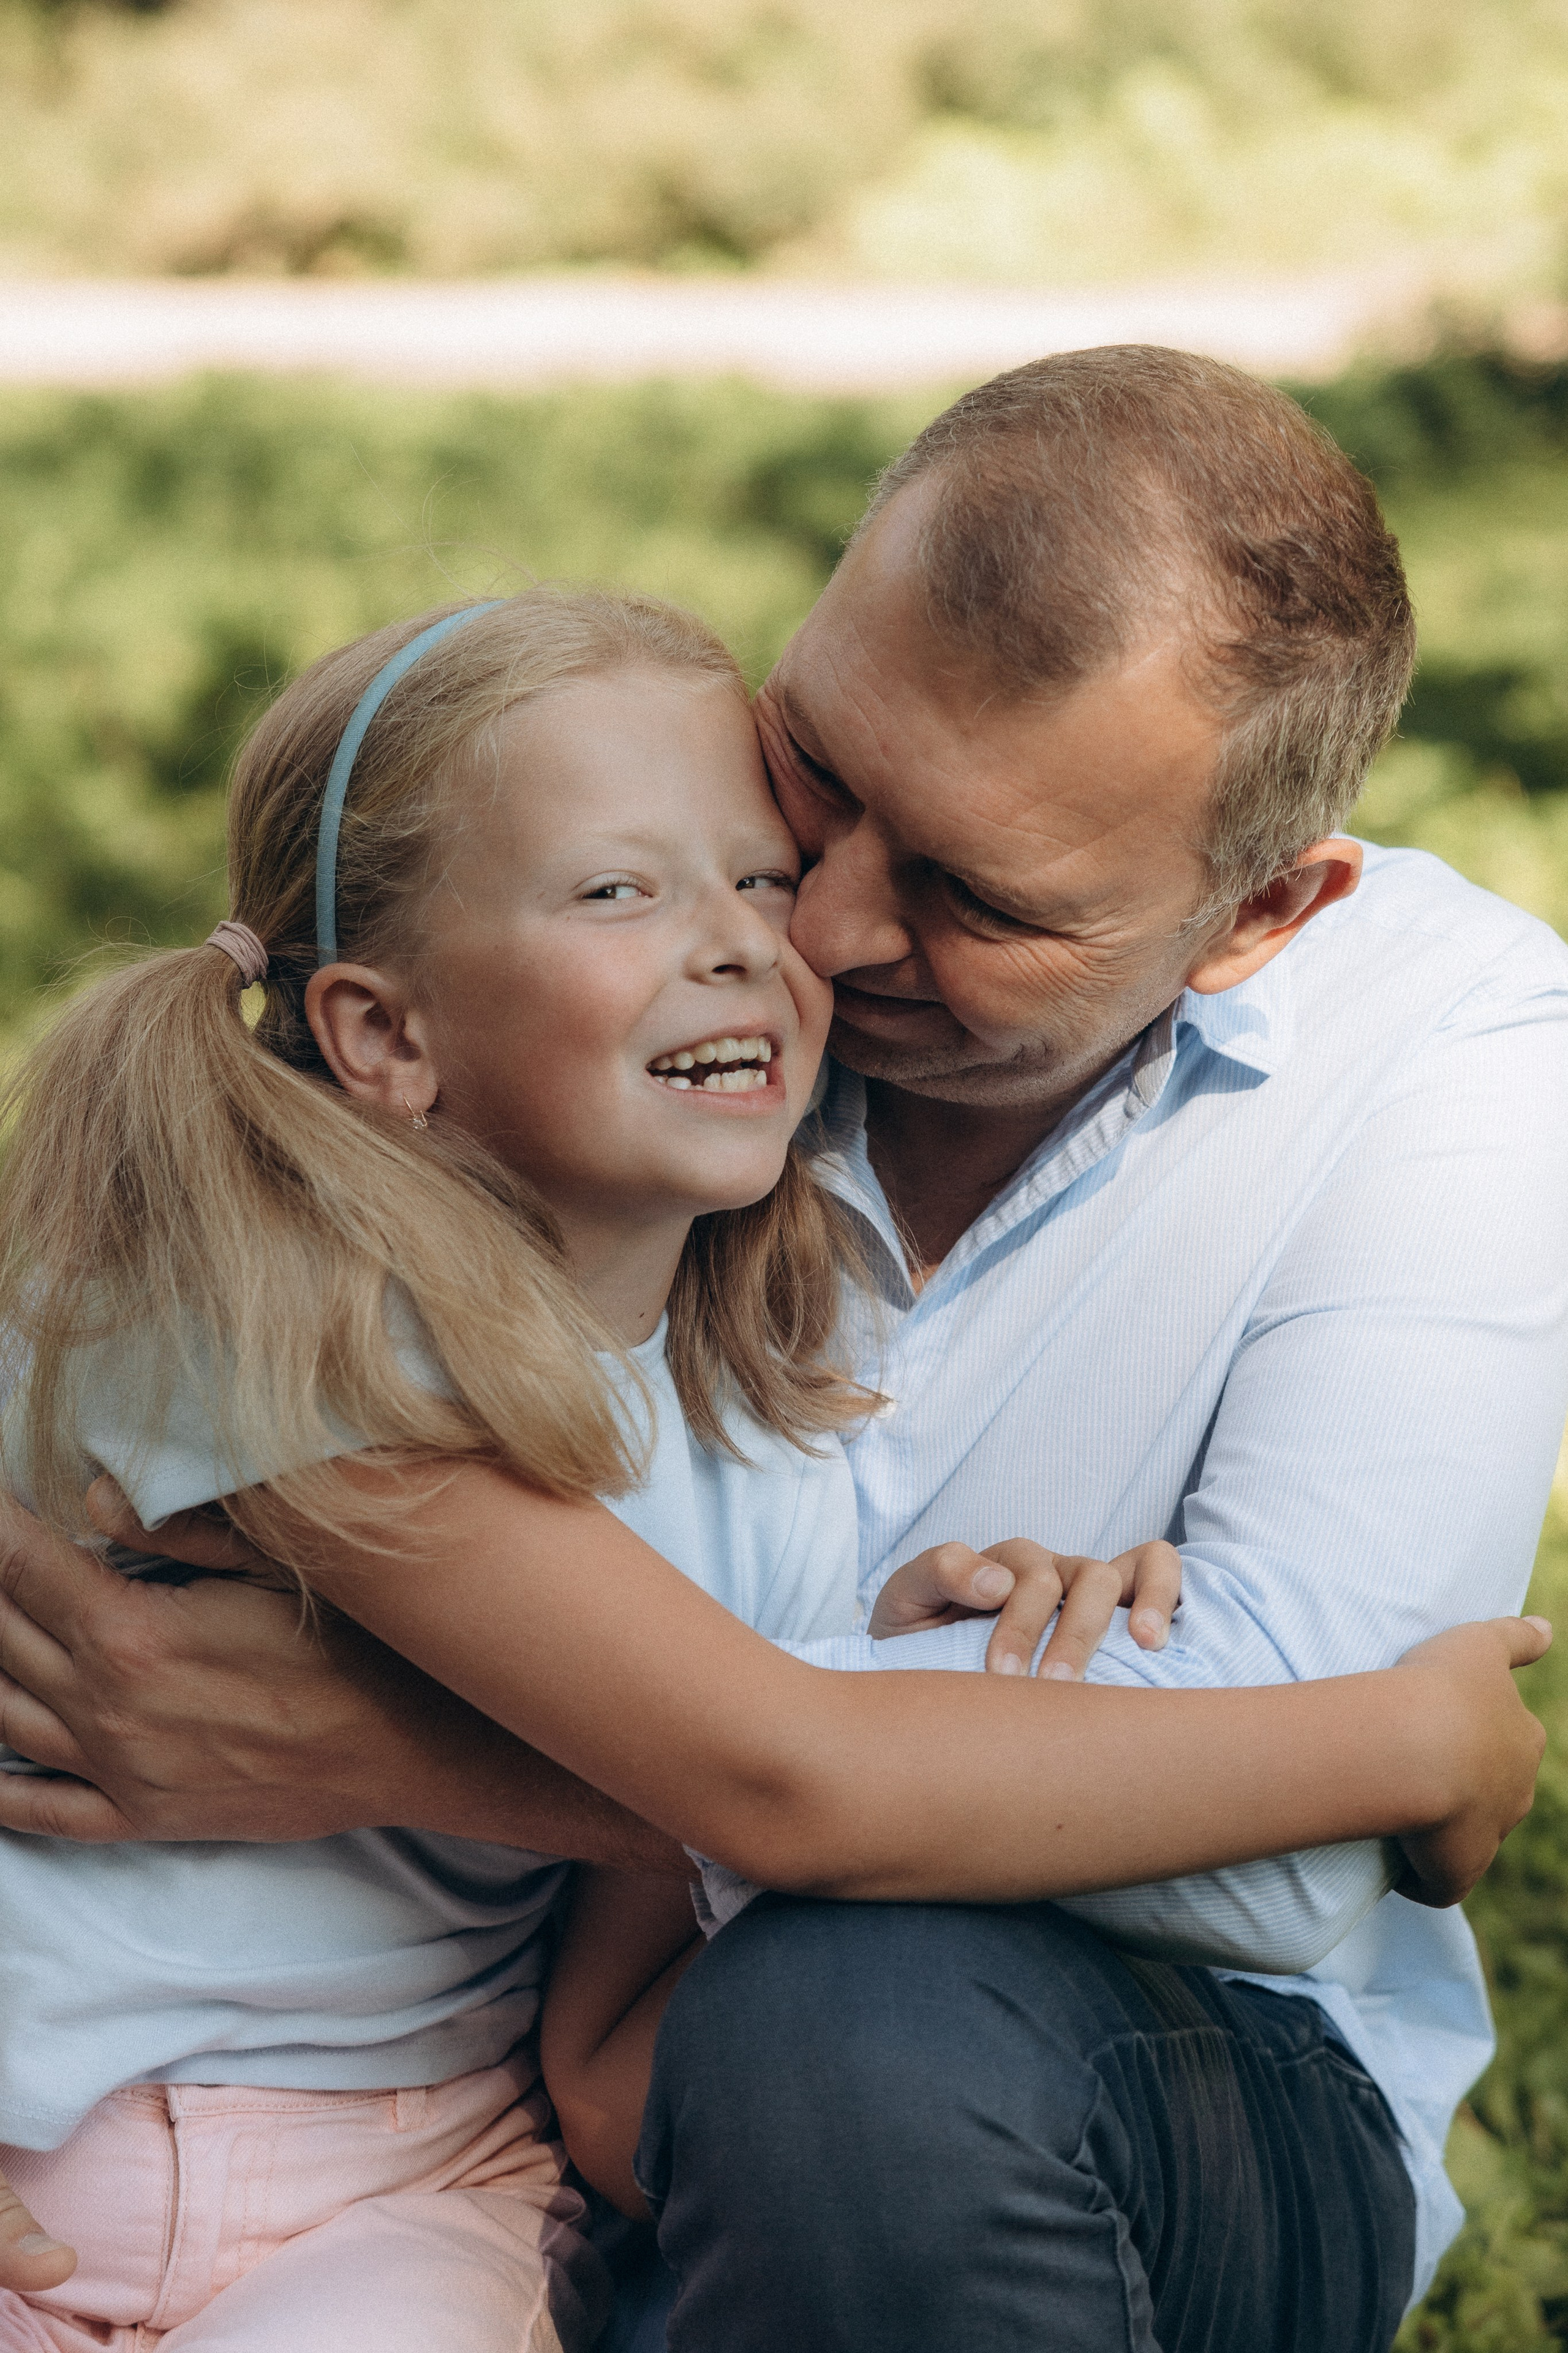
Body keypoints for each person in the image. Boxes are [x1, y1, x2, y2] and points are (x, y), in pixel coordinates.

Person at [0, 345, 1563, 2349]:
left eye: (976, 897)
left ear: (1258, 909)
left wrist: (424, 1750)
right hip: (377, 2142)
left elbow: (1263, 1879)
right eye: (815, 775)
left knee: (855, 2028)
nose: (812, 929)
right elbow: (739, 1837)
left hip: (1064, 2097)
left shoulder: (1451, 1060)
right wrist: (1380, 1737)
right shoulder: (337, 1263)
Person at [0, 581, 1181, 2352]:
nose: (737, 943)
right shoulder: (246, 1321)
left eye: (760, 877)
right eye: (619, 890)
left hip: (408, 2198)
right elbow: (777, 1773)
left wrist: (925, 1663)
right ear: (385, 1035)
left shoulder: (768, 1464)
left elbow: (622, 2063)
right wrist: (1381, 1745)